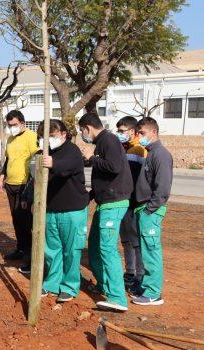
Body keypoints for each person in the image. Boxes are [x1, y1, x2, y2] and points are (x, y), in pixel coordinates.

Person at [79, 112, 133, 312]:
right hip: (105, 202)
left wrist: (91, 158)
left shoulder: (108, 140)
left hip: (114, 203)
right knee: (94, 246)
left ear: (87, 128)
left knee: (108, 249)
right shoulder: (103, 142)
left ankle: (117, 298)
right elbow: (104, 174)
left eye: (82, 131)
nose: (83, 135)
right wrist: (92, 194)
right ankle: (103, 284)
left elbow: (114, 167)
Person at [37, 119, 89, 304]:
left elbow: (65, 166)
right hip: (50, 210)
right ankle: (52, 283)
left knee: (71, 251)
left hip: (72, 210)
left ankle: (70, 286)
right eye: (43, 137)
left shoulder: (72, 152)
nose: (47, 141)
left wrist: (52, 163)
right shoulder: (42, 153)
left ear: (63, 135)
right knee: (51, 251)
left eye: (51, 136)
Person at [131, 117, 173, 306]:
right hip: (144, 208)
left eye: (142, 133)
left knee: (151, 251)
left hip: (150, 210)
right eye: (138, 133)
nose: (139, 137)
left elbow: (162, 188)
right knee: (146, 251)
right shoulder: (151, 153)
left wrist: (149, 210)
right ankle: (147, 286)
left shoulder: (161, 155)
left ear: (153, 132)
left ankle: (153, 293)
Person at [0, 110, 38, 274]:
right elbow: (8, 160)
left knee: (26, 220)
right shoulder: (10, 139)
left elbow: (36, 161)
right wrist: (2, 177)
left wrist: (31, 185)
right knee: (16, 219)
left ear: (22, 123)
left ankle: (30, 257)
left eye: (14, 125)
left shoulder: (31, 136)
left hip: (25, 185)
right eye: (9, 125)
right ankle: (20, 248)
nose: (12, 128)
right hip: (11, 185)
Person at [115, 116, 147, 290]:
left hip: (134, 202)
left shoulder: (139, 150)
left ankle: (140, 275)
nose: (119, 134)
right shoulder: (124, 148)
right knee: (126, 240)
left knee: (136, 241)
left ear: (133, 132)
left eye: (122, 131)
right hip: (123, 201)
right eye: (118, 131)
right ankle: (130, 271)